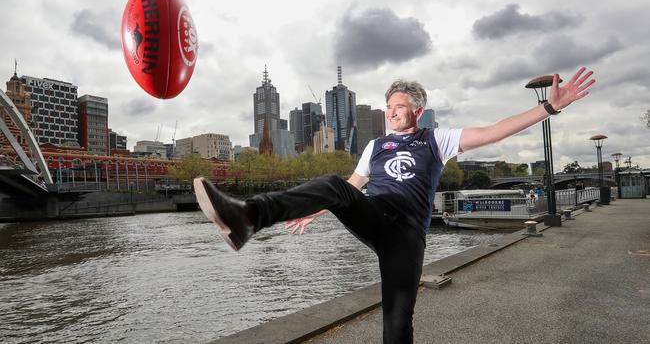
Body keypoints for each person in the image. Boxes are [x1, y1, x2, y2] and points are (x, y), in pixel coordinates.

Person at [193, 67, 594, 343]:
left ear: (417, 110)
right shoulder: (374, 145)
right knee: (333, 182)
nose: (390, 113)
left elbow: (492, 132)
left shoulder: (436, 139)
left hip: (407, 235)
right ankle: (247, 216)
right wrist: (309, 210)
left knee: (398, 323)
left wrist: (550, 107)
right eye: (387, 108)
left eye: (398, 107)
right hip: (376, 216)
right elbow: (348, 187)